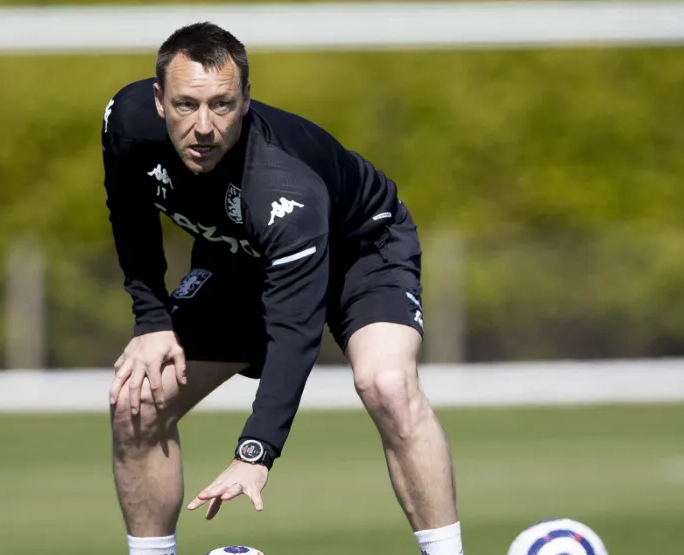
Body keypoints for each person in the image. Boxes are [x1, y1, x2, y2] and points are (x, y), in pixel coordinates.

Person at [102, 21, 463, 555]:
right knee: (138, 403)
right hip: (240, 259)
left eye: (222, 105)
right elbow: (129, 214)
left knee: (386, 383)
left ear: (246, 100)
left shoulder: (281, 186)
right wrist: (152, 321)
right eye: (186, 105)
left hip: (360, 251)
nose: (203, 126)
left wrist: (255, 452)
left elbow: (293, 334)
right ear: (158, 101)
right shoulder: (127, 125)